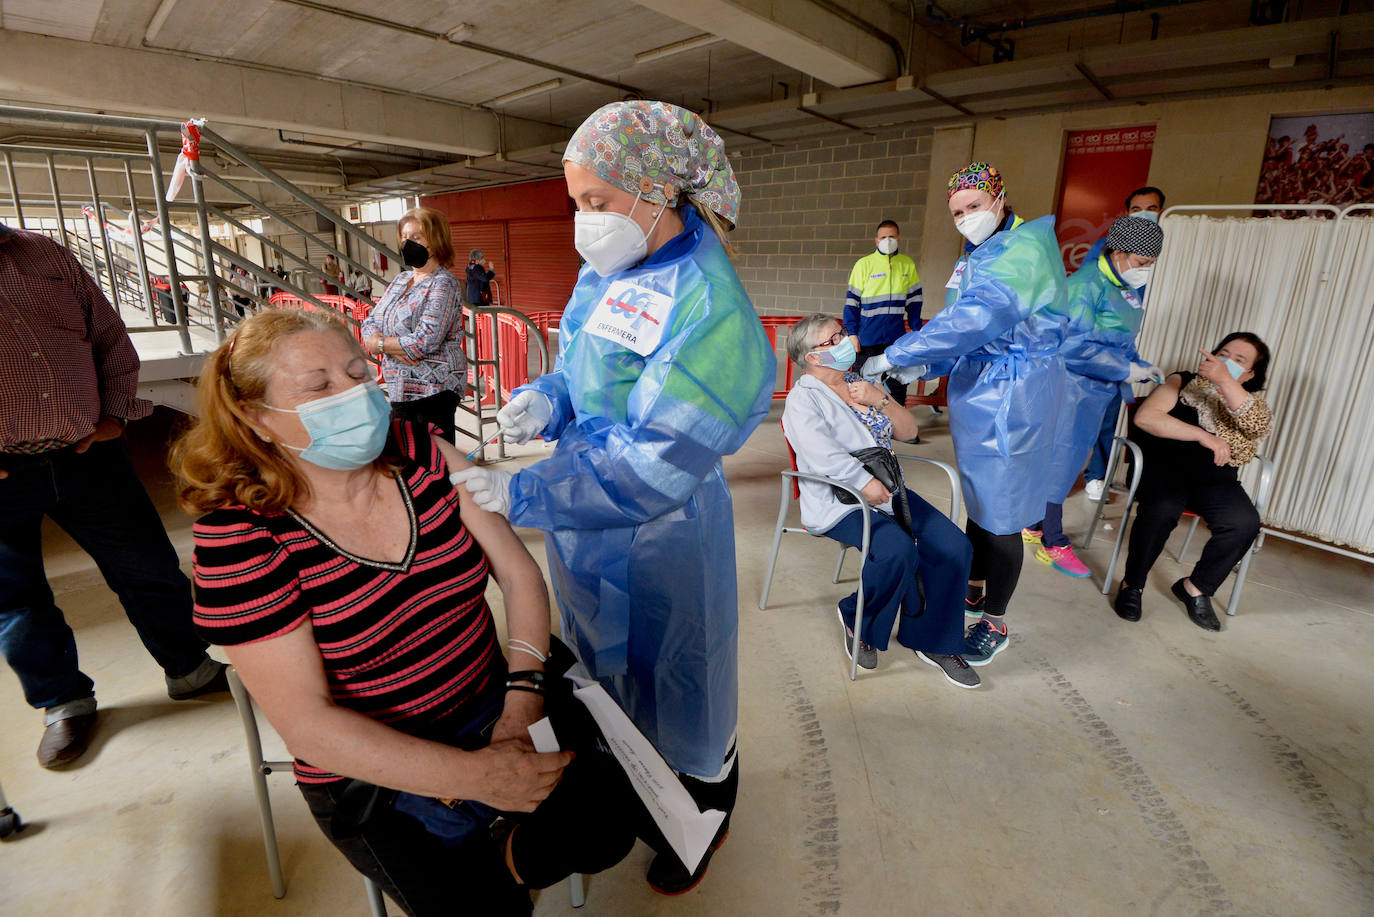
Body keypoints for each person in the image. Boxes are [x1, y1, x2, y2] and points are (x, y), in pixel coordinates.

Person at [175, 310, 641, 917]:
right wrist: (477, 779)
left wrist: (521, 698)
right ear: (258, 420)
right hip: (374, 768)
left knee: (609, 824)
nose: (356, 395)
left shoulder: (423, 452)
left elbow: (518, 573)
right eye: (319, 388)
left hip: (491, 703)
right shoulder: (241, 536)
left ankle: (505, 854)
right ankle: (498, 861)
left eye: (357, 371)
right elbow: (309, 727)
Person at [450, 100, 775, 895]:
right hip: (585, 524)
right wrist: (547, 398)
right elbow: (589, 374)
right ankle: (629, 786)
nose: (584, 222)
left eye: (597, 202)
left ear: (656, 192)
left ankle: (706, 811)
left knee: (684, 686)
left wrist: (523, 490)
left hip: (664, 533)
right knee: (604, 680)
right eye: (577, 204)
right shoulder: (610, 273)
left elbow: (657, 462)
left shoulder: (711, 307)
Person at [0, 222, 226, 770]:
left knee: (147, 565)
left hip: (88, 455)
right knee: (16, 601)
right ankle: (64, 702)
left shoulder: (42, 253)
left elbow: (107, 335)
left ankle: (190, 667)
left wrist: (115, 415)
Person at [862, 162, 1067, 667]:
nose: (966, 217)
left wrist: (898, 355)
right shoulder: (982, 252)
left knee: (1002, 516)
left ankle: (994, 620)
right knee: (981, 500)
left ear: (999, 198)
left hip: (1013, 398)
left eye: (974, 206)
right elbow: (962, 326)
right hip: (984, 392)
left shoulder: (1023, 250)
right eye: (957, 211)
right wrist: (927, 362)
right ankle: (974, 586)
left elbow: (978, 318)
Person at [783, 315, 978, 687]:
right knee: (896, 551)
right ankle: (859, 620)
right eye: (833, 339)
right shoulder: (803, 399)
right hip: (841, 499)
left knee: (954, 546)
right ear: (811, 357)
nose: (846, 342)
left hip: (888, 489)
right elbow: (821, 456)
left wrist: (880, 398)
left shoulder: (861, 383)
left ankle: (932, 639)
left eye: (842, 334)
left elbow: (909, 431)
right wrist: (863, 482)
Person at [1026, 216, 1165, 578]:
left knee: (1070, 456)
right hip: (1071, 386)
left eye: (1151, 264)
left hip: (1099, 388)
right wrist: (1123, 369)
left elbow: (1121, 335)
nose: (1146, 270)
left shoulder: (1124, 288)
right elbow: (1072, 346)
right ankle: (1051, 541)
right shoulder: (1087, 284)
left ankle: (1034, 523)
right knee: (1062, 459)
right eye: (1142, 262)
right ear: (1119, 251)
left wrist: (1138, 364)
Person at [1114, 333, 1272, 631]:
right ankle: (1132, 584)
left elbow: (1257, 425)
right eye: (1223, 354)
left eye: (1239, 360)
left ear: (1251, 374)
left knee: (1244, 522)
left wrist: (1225, 381)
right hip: (1166, 471)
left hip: (1215, 481)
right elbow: (1147, 418)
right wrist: (1203, 435)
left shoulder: (1253, 406)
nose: (1227, 362)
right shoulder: (1181, 381)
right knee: (1161, 509)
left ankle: (1196, 588)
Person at [1081, 185, 1167, 502]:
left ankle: (1097, 475)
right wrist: (1121, 364)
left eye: (1152, 208)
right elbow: (1078, 337)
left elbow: (1125, 326)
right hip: (1092, 361)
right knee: (1072, 436)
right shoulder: (1094, 275)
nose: (1145, 214)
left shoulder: (1155, 261)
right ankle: (1044, 526)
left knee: (1109, 418)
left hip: (1120, 354)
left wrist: (1135, 363)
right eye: (1137, 208)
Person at [362, 208, 467, 444]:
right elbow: (370, 321)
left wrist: (379, 344)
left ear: (436, 241)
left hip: (433, 390)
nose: (408, 243)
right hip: (400, 386)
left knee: (434, 463)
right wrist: (392, 347)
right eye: (405, 238)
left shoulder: (443, 284)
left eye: (417, 237)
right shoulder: (400, 280)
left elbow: (424, 340)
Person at [843, 220, 923, 414]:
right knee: (863, 381)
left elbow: (914, 301)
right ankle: (865, 423)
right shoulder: (864, 265)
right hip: (868, 337)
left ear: (899, 238)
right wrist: (852, 333)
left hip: (895, 337)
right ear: (876, 240)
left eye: (892, 237)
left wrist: (916, 331)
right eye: (883, 237)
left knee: (897, 380)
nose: (888, 240)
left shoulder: (907, 265)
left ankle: (899, 422)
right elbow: (851, 302)